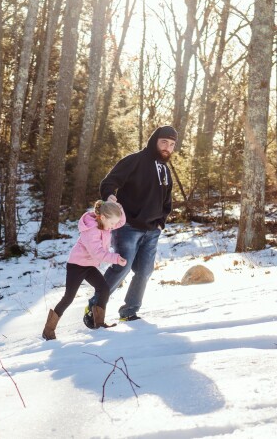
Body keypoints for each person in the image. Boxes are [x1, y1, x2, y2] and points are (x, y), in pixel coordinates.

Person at [85, 125, 177, 325]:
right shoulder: (134, 161)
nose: (167, 148)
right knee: (122, 268)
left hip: (152, 230)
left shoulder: (165, 171)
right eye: (164, 142)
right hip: (128, 227)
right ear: (155, 141)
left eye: (171, 144)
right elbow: (109, 182)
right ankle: (95, 307)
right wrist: (110, 197)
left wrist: (161, 223)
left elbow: (167, 201)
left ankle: (129, 311)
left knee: (144, 271)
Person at [42, 200, 128, 340]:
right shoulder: (91, 230)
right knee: (69, 297)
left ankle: (98, 324)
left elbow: (120, 221)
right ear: (104, 218)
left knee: (103, 289)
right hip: (76, 266)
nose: (114, 226)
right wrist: (116, 258)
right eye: (112, 224)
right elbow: (97, 253)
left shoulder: (106, 224)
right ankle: (48, 330)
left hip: (89, 266)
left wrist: (118, 205)